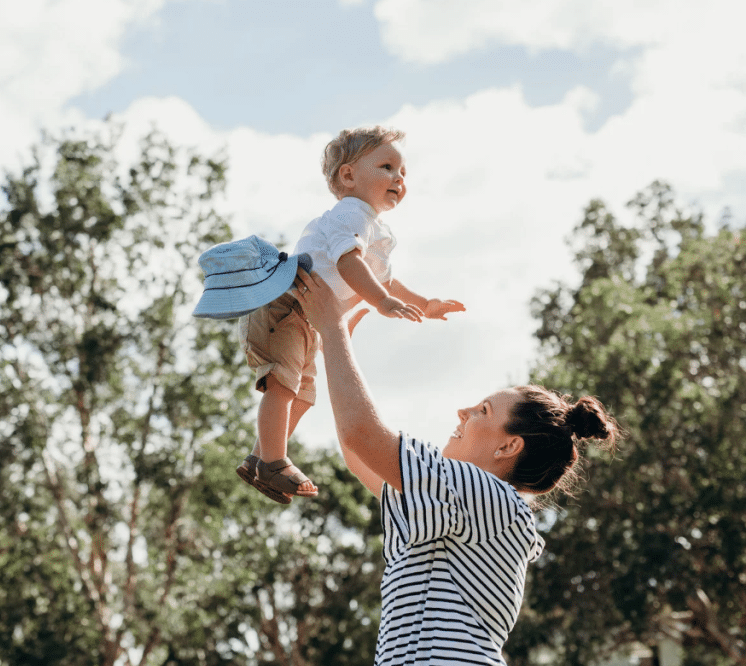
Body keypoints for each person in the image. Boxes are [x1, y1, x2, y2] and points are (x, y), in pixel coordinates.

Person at [292, 268, 620, 665]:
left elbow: (362, 435)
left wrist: (332, 327)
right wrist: (335, 349)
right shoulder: (467, 504)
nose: (462, 411)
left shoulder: (489, 496)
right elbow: (359, 451)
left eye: (482, 410)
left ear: (508, 446)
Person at [233, 125, 464, 503]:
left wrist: (425, 303)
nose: (399, 178)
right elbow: (348, 263)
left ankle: (260, 457)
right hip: (284, 304)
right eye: (388, 167)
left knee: (304, 395)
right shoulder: (351, 214)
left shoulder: (374, 228)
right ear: (349, 175)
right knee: (283, 385)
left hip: (307, 317)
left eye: (403, 173)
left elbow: (385, 281)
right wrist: (380, 302)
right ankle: (273, 461)